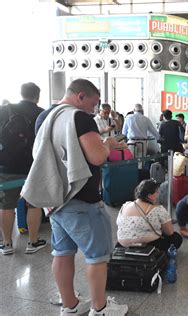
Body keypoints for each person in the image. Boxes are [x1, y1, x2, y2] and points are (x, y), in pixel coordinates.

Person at [21, 79, 128, 315]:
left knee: (61, 253)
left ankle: (70, 306)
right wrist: (108, 144)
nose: (93, 109)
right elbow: (97, 157)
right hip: (81, 198)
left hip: (56, 199)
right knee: (97, 257)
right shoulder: (79, 117)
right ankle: (99, 309)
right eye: (93, 103)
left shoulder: (45, 116)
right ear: (80, 96)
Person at [0, 82, 45, 255]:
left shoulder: (5, 110)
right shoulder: (42, 114)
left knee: (6, 205)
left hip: (7, 166)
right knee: (33, 204)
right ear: (37, 96)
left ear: (21, 93)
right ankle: (33, 242)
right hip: (34, 166)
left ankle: (7, 244)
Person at [117, 179, 182, 251]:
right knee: (176, 238)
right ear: (149, 196)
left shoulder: (125, 205)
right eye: (157, 192)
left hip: (123, 243)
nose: (158, 194)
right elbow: (169, 232)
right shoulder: (158, 210)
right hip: (147, 244)